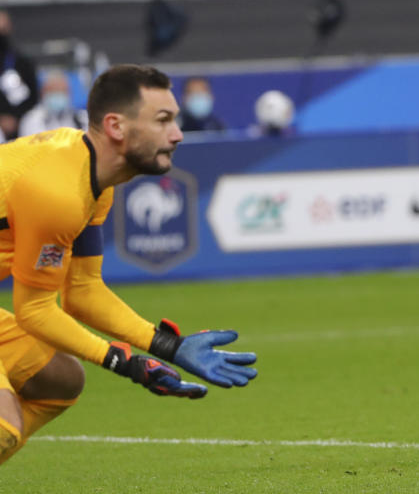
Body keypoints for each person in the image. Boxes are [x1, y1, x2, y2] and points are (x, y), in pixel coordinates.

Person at [0, 64, 258, 465]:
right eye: (163, 120)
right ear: (116, 127)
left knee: (60, 382)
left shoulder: (91, 180)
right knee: (3, 427)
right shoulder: (58, 193)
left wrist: (168, 346)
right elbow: (33, 311)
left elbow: (82, 293)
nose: (177, 133)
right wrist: (124, 362)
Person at [0, 10, 40, 141]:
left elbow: (33, 97)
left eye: (3, 29)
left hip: (20, 126)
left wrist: (15, 118)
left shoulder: (22, 63)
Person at [18, 69, 88, 136]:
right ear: (43, 92)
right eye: (54, 91)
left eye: (62, 91)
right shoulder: (31, 120)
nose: (58, 95)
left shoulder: (81, 119)